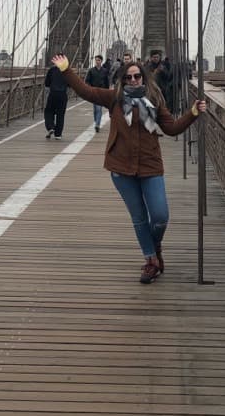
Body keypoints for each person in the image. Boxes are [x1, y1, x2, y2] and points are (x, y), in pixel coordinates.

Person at [51, 53, 206, 284]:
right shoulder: (114, 98)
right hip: (121, 168)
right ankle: (151, 260)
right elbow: (85, 91)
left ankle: (154, 245)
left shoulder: (154, 101)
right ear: (123, 80)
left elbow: (172, 129)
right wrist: (66, 70)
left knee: (161, 216)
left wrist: (192, 113)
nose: (133, 80)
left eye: (137, 76)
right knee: (139, 218)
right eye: (129, 77)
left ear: (143, 78)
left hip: (150, 165)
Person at [44, 61, 68, 140]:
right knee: (60, 115)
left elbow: (47, 83)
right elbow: (70, 84)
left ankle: (50, 127)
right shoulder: (67, 71)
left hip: (53, 94)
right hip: (63, 95)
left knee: (48, 111)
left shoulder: (51, 70)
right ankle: (58, 134)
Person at [85, 54, 109, 131]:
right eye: (96, 60)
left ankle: (97, 124)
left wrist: (107, 92)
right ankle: (96, 121)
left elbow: (107, 82)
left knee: (99, 109)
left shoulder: (105, 71)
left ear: (101, 61)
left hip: (101, 92)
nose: (97, 61)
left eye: (98, 60)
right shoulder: (91, 70)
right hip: (93, 91)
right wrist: (89, 88)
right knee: (95, 109)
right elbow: (87, 81)